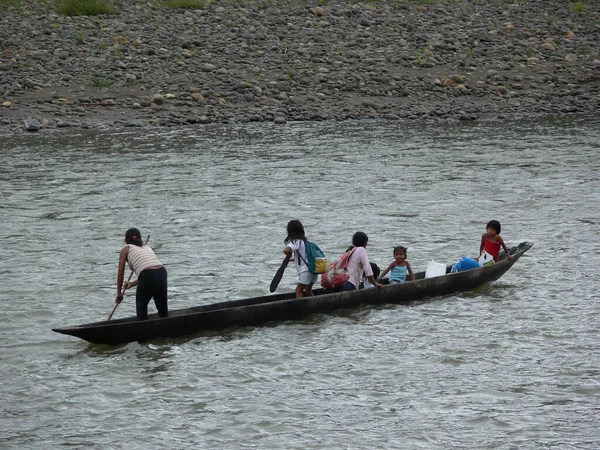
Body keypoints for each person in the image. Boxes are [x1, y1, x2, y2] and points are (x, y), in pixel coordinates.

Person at [115, 228, 168, 320]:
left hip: (148, 275)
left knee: (141, 308)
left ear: (126, 241)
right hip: (162, 272)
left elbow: (121, 273)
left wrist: (119, 293)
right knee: (163, 311)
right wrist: (131, 284)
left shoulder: (126, 249)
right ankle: (166, 325)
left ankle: (144, 327)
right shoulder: (147, 247)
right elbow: (150, 272)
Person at [283, 220, 317, 298]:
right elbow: (305, 257)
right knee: (308, 290)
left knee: (298, 290)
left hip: (305, 271)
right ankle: (316, 305)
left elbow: (286, 250)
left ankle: (301, 308)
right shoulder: (305, 242)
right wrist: (292, 259)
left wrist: (287, 254)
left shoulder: (296, 242)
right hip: (314, 270)